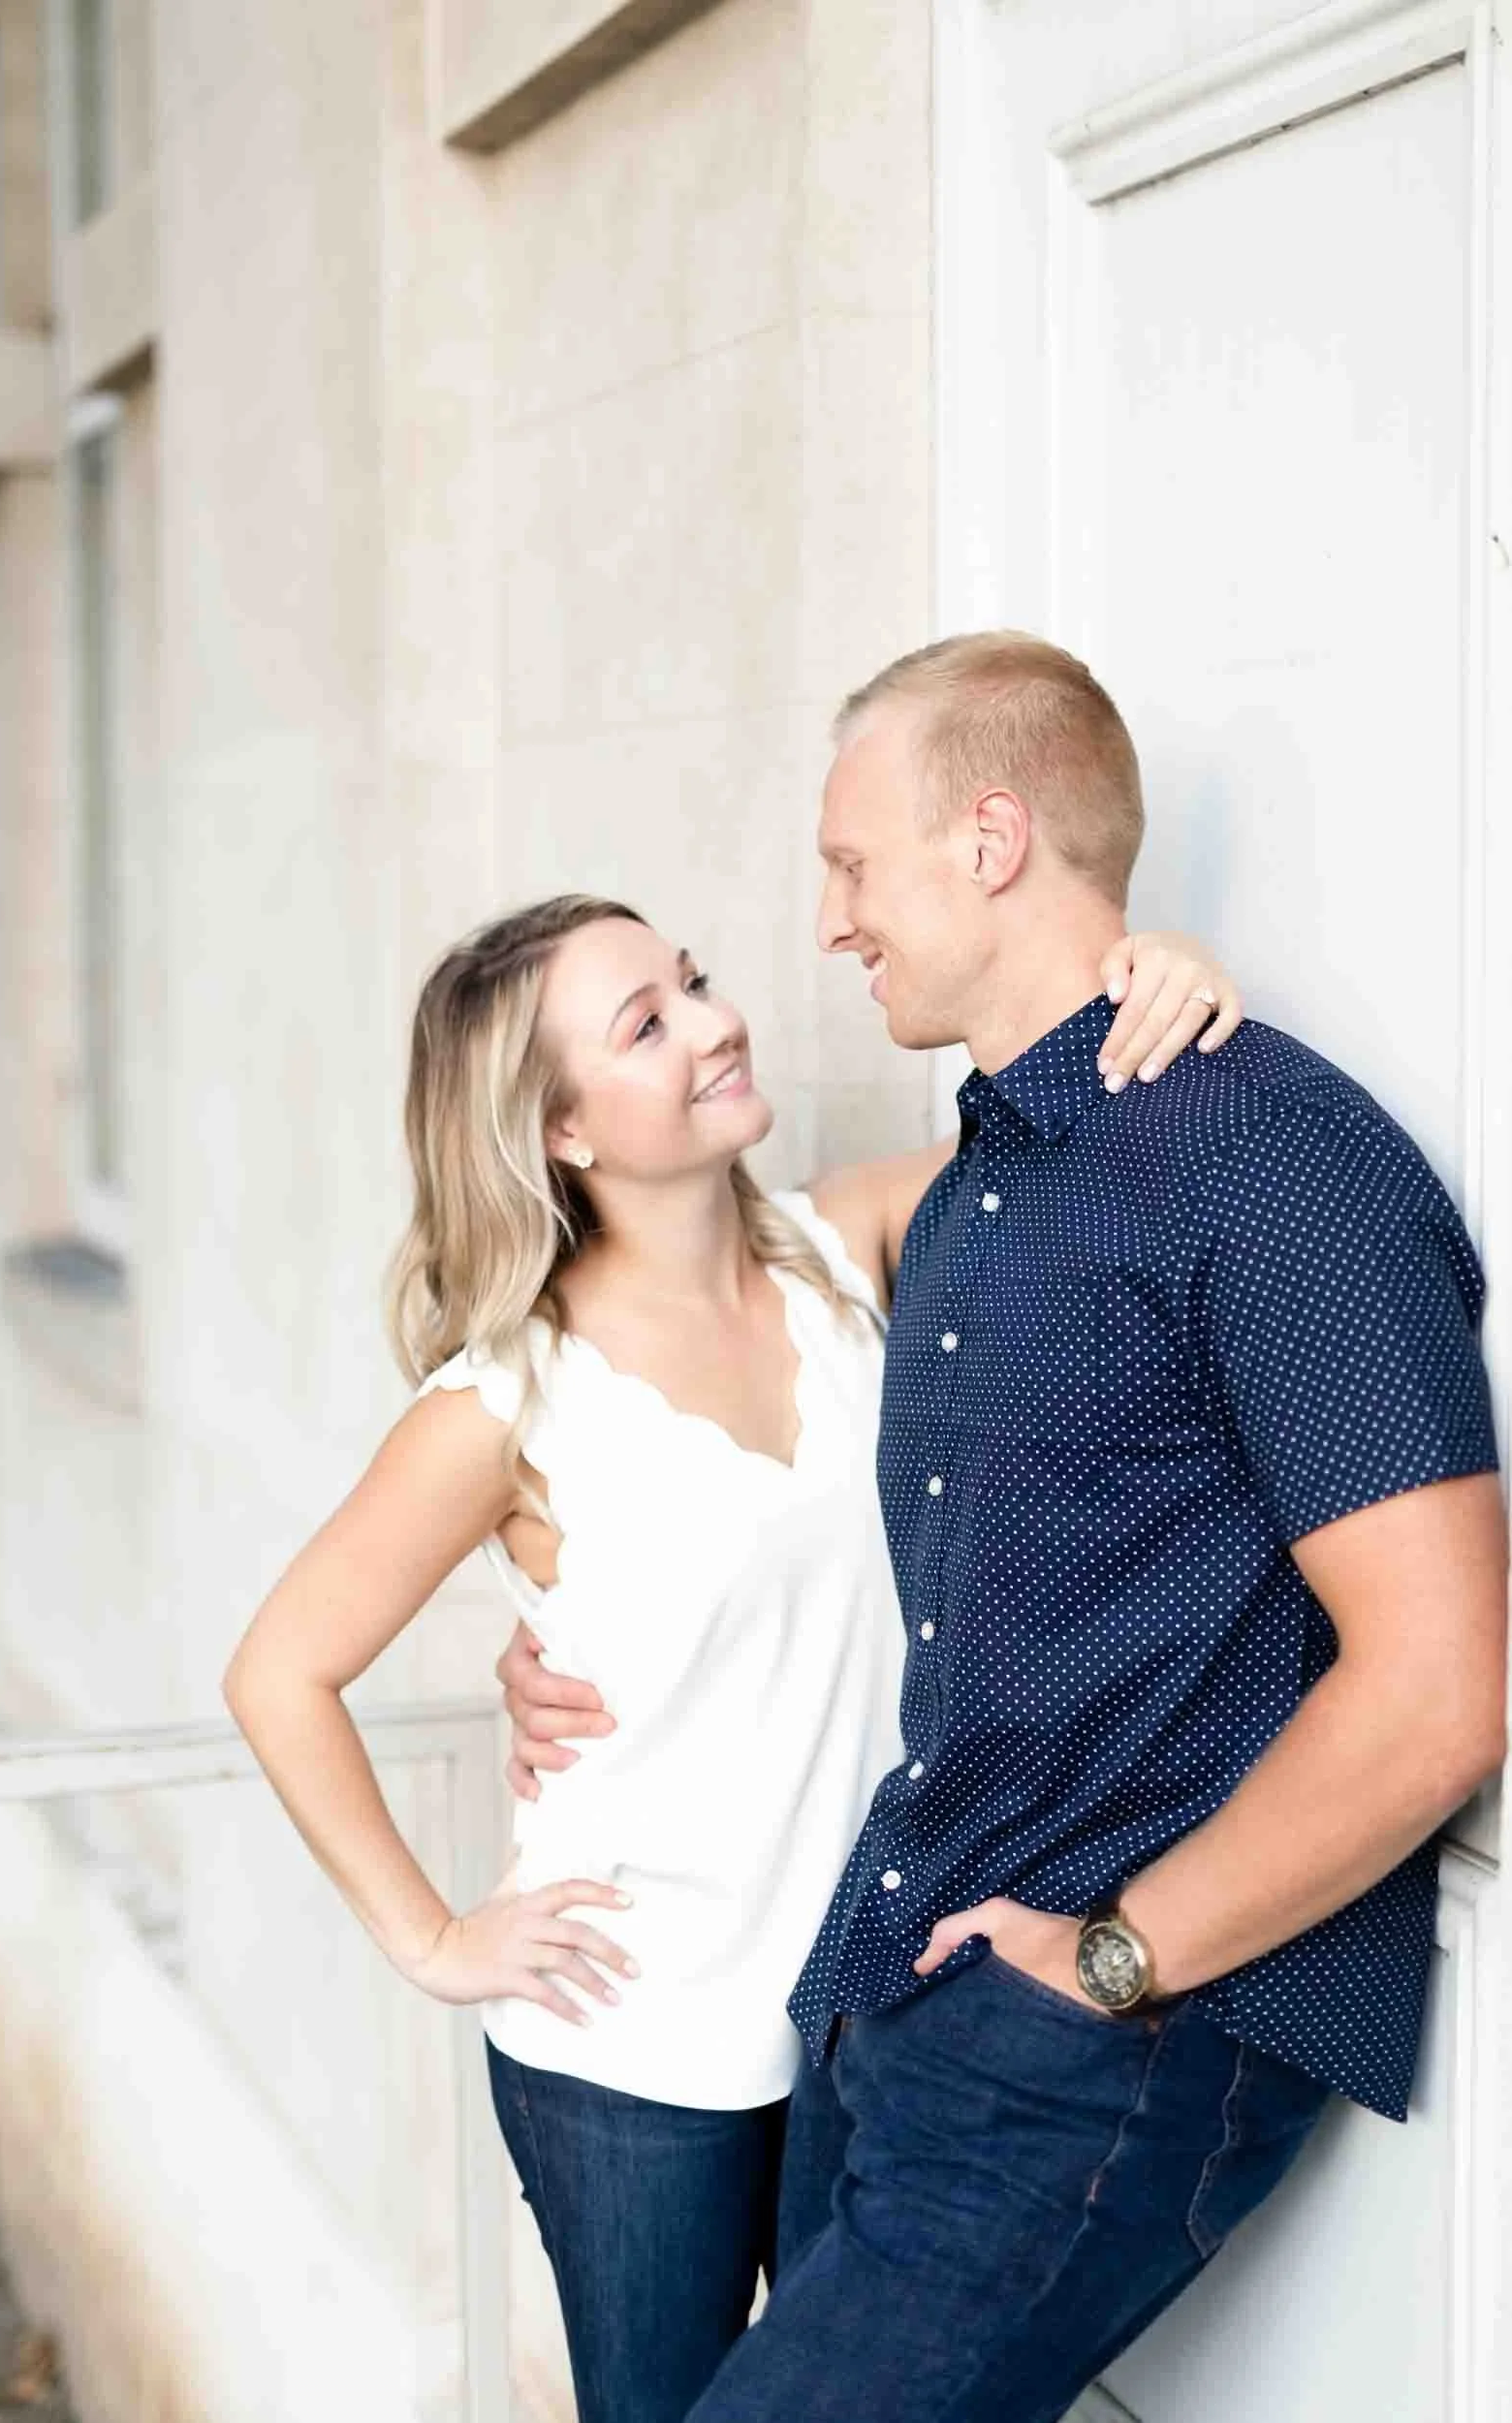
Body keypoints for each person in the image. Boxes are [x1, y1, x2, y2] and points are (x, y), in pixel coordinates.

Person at [500, 633, 1508, 2423]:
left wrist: (1114, 1958)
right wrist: (573, 1635)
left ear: (985, 839)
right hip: (898, 1997)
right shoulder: (976, 1186)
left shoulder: (1273, 1156)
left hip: (1108, 2031)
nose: (828, 922)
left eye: (849, 863)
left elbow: (1442, 1685)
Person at [221, 885, 1241, 2423]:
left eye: (692, 979)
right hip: (634, 2044)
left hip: (871, 1999)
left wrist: (1145, 980)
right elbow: (277, 1671)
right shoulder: (503, 1402)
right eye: (647, 1022)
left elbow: (1077, 1130)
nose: (714, 1020)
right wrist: (433, 1939)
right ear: (558, 1131)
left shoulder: (852, 1246)